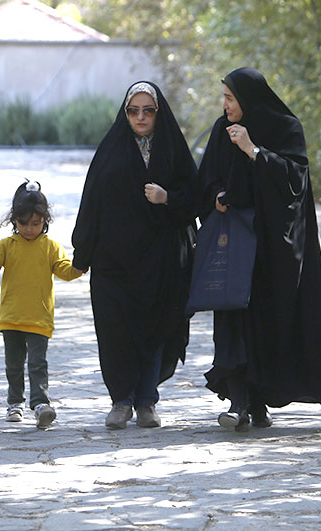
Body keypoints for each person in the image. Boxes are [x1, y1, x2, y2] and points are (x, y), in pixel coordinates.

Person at [196, 67, 321, 431]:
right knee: (233, 319)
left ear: (248, 99)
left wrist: (252, 150)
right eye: (224, 98)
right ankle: (239, 402)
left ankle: (257, 403)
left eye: (230, 98)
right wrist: (216, 197)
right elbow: (206, 178)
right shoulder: (219, 130)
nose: (224, 105)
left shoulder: (286, 127)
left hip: (272, 250)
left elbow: (295, 182)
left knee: (267, 322)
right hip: (235, 247)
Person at [71, 81, 197, 430]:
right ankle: (120, 400)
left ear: (159, 113)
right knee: (116, 331)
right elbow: (91, 204)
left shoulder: (172, 149)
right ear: (125, 113)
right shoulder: (111, 150)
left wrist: (167, 197)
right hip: (114, 261)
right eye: (133, 110)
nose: (141, 117)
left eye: (148, 110)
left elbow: (195, 195)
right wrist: (82, 254)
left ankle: (147, 400)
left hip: (162, 260)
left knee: (156, 328)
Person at [0, 180, 85, 428]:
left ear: (45, 220)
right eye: (23, 223)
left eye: (35, 223)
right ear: (14, 220)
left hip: (39, 317)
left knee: (37, 363)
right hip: (11, 317)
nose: (29, 229)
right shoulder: (6, 246)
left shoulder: (51, 248)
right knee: (13, 364)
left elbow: (64, 271)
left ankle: (40, 404)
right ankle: (14, 403)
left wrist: (79, 267)